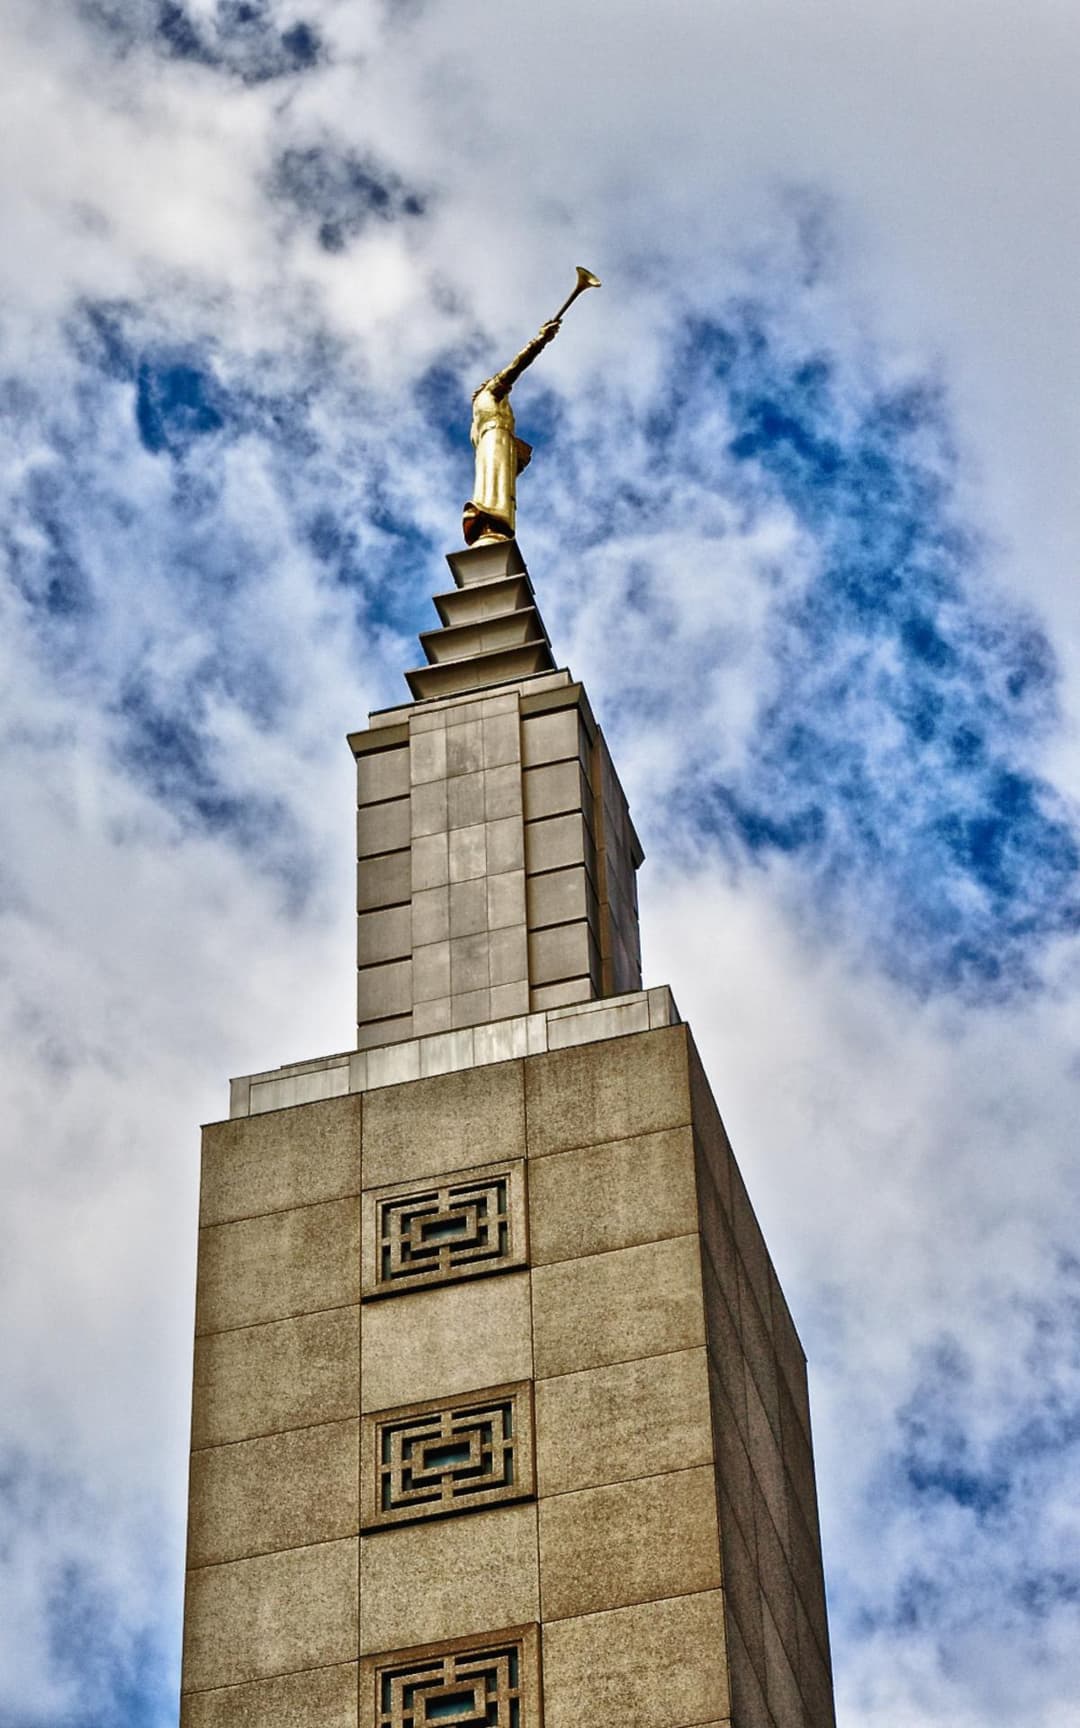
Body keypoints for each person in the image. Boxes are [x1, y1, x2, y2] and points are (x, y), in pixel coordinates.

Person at [463, 319, 562, 545]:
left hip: (495, 442)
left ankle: (487, 518)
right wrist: (540, 340)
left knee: (496, 480)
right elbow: (516, 367)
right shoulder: (490, 393)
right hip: (498, 437)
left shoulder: (476, 421)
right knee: (497, 483)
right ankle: (488, 516)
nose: (506, 388)